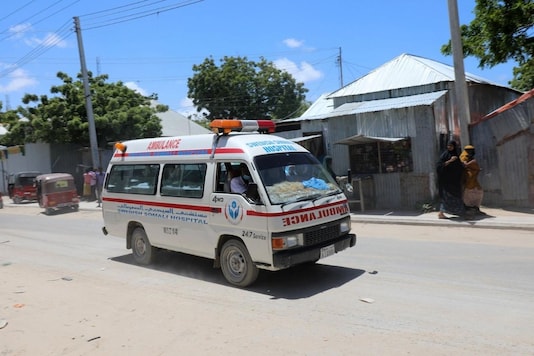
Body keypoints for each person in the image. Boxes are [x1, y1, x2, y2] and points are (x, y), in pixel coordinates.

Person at [436, 140, 465, 219]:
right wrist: (450, 161)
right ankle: (441, 213)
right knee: (446, 197)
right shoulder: (444, 155)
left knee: (457, 196)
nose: (449, 147)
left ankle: (459, 212)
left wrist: (463, 165)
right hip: (446, 181)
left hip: (455, 181)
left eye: (451, 146)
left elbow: (459, 167)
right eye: (448, 146)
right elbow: (439, 166)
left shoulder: (456, 155)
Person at [460, 145, 484, 217]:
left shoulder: (470, 158)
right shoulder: (464, 157)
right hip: (468, 179)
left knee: (479, 192)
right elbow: (464, 165)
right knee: (468, 194)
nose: (471, 152)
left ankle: (475, 208)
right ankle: (469, 209)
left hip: (473, 179)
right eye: (469, 150)